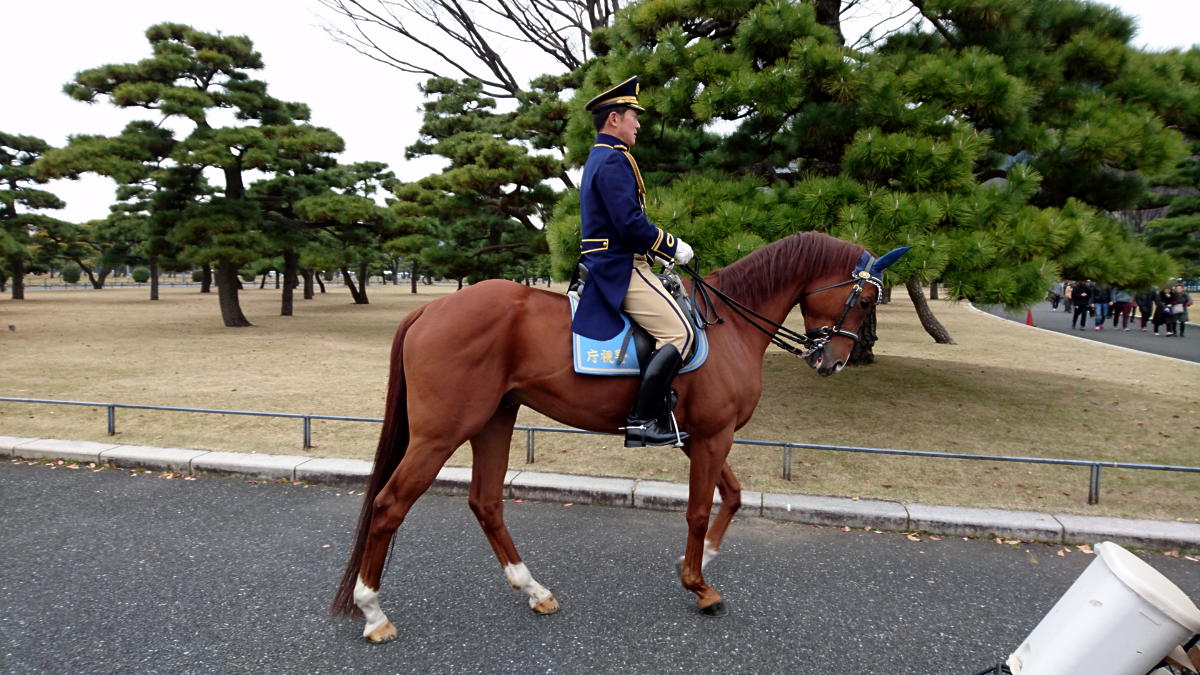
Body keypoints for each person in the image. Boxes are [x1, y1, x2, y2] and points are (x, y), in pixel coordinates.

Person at [573, 75, 696, 447]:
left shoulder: (602, 157)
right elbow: (629, 223)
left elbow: (619, 224)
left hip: (617, 257)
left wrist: (655, 250)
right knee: (681, 333)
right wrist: (671, 245)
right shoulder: (612, 160)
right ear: (614, 119)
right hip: (621, 267)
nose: (638, 124)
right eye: (633, 116)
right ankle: (642, 421)